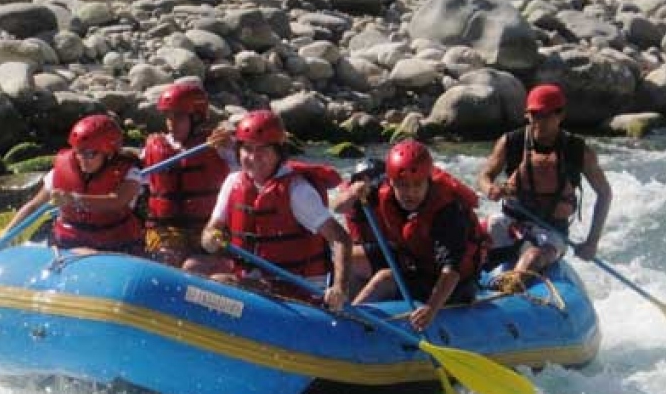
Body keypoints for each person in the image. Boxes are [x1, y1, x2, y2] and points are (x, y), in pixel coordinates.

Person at [198, 110, 352, 311]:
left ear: (278, 153)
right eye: (248, 149)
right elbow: (209, 231)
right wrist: (210, 239)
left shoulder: (297, 191)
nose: (253, 157)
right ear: (238, 152)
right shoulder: (233, 183)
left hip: (299, 288)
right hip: (258, 282)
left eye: (262, 150)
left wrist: (340, 287)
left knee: (219, 283)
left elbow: (341, 238)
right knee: (194, 270)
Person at [477, 83, 612, 285]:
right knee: (467, 244)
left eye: (548, 115)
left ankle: (508, 293)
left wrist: (592, 242)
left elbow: (604, 194)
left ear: (561, 115)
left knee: (531, 258)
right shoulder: (510, 142)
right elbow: (485, 176)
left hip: (551, 232)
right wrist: (490, 188)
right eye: (536, 114)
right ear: (527, 115)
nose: (541, 121)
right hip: (511, 223)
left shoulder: (578, 150)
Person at [353, 140, 487, 332]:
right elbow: (338, 207)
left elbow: (451, 272)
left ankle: (348, 324)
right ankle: (342, 308)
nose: (410, 192)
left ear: (428, 181)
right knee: (352, 257)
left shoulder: (447, 211)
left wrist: (431, 309)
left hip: (455, 284)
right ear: (390, 182)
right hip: (416, 262)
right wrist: (352, 193)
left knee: (384, 278)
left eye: (417, 185)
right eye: (403, 185)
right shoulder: (381, 188)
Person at [0, 114, 143, 254]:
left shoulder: (130, 173)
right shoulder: (62, 170)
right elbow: (34, 206)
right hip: (68, 243)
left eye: (89, 154)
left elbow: (116, 201)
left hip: (115, 245)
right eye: (78, 151)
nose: (82, 158)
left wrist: (73, 199)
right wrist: (5, 234)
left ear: (109, 153)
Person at [142, 82, 233, 270]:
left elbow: (247, 175)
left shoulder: (218, 147)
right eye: (168, 116)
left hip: (207, 230)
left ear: (197, 118)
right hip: (166, 231)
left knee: (193, 266)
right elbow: (134, 180)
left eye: (179, 117)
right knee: (168, 258)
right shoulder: (153, 148)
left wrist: (232, 145)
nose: (171, 123)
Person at [331, 157, 386, 295]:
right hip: (366, 249)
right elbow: (337, 207)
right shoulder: (351, 192)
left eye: (368, 179)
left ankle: (342, 304)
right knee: (338, 253)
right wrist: (353, 193)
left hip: (391, 250)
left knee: (347, 255)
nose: (365, 183)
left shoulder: (390, 193)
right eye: (361, 179)